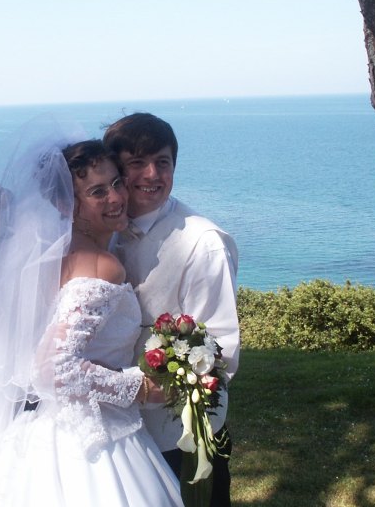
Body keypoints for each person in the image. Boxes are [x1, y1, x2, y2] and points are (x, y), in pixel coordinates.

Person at [0, 121, 182, 507]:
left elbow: (32, 219)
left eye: (116, 182)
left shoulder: (54, 251)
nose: (116, 197)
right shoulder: (101, 265)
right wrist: (139, 388)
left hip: (41, 426)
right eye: (97, 192)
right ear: (69, 203)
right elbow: (54, 368)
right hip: (91, 444)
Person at [104, 112, 240, 506]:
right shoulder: (105, 228)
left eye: (162, 162)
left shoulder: (202, 243)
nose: (152, 174)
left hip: (178, 434)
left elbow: (219, 352)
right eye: (137, 163)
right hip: (118, 430)